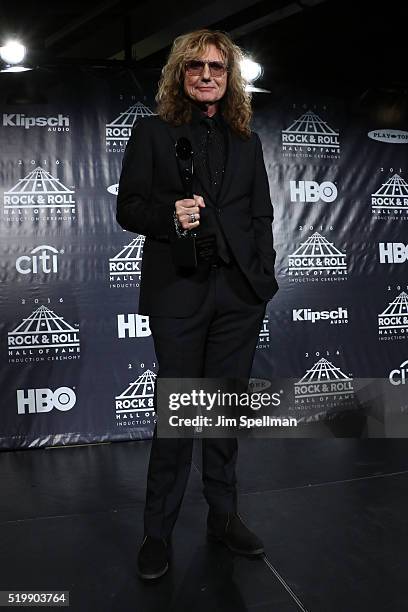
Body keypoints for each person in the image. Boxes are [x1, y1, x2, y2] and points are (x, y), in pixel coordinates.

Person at [116, 28, 278, 580]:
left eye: (217, 67)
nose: (207, 75)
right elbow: (130, 209)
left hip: (239, 296)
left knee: (224, 413)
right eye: (196, 67)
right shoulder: (153, 133)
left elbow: (261, 215)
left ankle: (223, 517)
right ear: (180, 76)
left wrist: (263, 276)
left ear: (229, 77)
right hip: (178, 292)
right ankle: (156, 533)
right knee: (179, 416)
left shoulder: (248, 141)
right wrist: (170, 215)